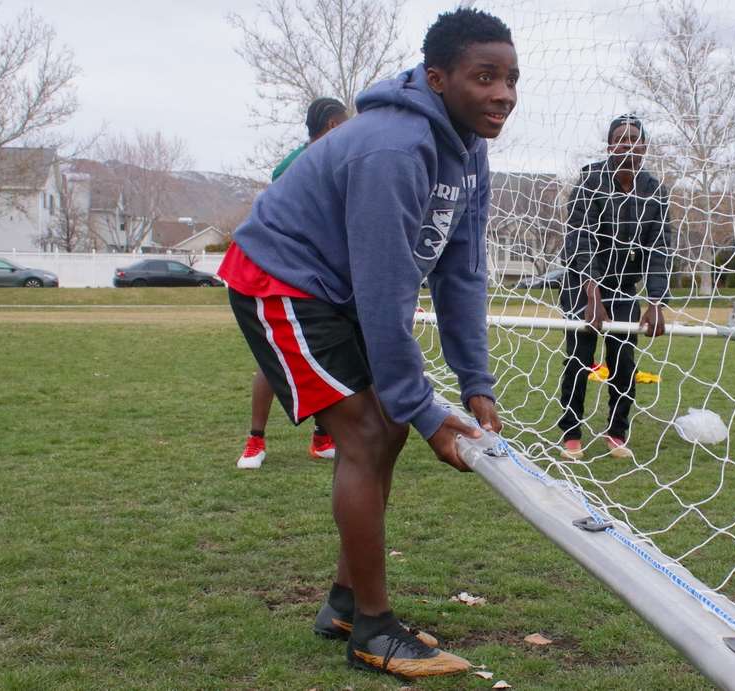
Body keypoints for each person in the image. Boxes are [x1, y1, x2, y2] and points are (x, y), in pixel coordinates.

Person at [217, 8, 517, 679]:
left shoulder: (470, 151)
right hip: (282, 280)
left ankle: (347, 604)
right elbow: (387, 294)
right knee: (365, 431)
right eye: (484, 77)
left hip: (338, 290)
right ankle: (374, 630)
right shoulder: (395, 147)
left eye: (511, 79)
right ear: (438, 79)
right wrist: (427, 410)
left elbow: (460, 269)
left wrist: (475, 381)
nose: (503, 93)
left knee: (390, 428)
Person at [238, 97, 349, 469]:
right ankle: (255, 440)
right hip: (279, 275)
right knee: (272, 361)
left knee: (333, 355)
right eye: (344, 123)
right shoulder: (302, 164)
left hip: (318, 277)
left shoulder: (324, 157)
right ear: (333, 125)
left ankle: (322, 436)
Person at [557, 114, 674, 460]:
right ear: (610, 146)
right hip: (582, 282)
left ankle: (617, 432)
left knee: (623, 361)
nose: (628, 144)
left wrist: (656, 302)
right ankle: (571, 432)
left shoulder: (655, 192)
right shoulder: (590, 181)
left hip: (624, 285)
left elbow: (659, 249)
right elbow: (581, 239)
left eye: (634, 138)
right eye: (620, 138)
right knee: (580, 356)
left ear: (644, 147)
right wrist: (592, 294)